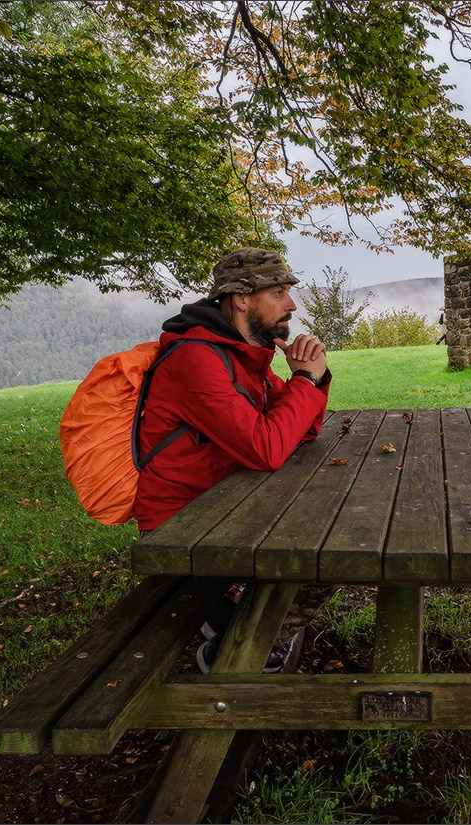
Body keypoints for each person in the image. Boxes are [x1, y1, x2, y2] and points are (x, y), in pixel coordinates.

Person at [133, 247, 334, 672]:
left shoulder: (242, 354)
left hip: (226, 502)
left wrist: (311, 379)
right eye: (278, 292)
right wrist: (304, 379)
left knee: (333, 531)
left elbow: (304, 430)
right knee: (327, 548)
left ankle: (245, 631)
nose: (292, 304)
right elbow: (266, 448)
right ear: (241, 298)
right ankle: (234, 649)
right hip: (183, 522)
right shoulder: (197, 359)